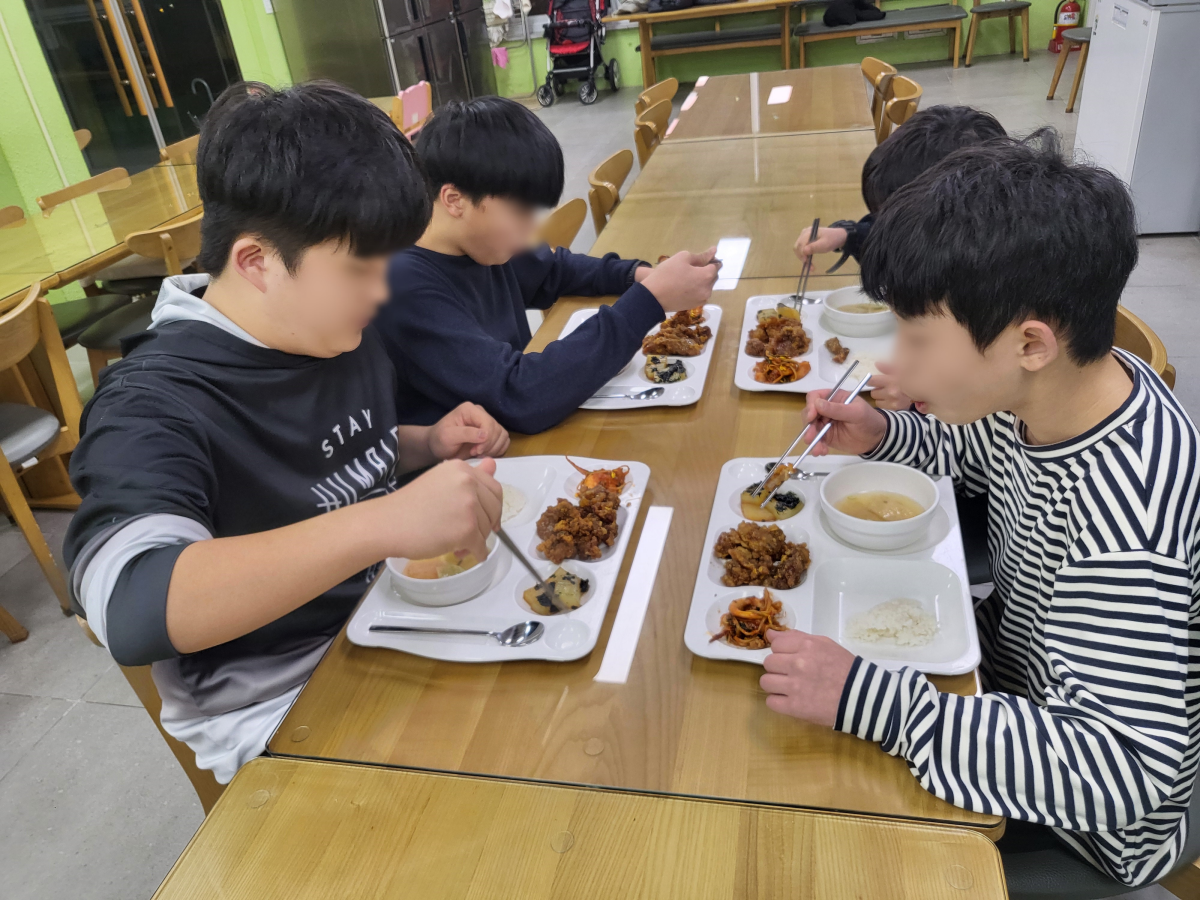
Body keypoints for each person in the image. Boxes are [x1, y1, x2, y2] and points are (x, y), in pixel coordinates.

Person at [760, 133, 1200, 888]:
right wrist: (884, 432)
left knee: (813, 849)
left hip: (1085, 828)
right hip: (1000, 688)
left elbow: (1126, 769)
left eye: (918, 338)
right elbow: (971, 454)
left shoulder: (1126, 517)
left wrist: (876, 703)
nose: (895, 361)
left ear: (1029, 343)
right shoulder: (1052, 392)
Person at [64, 81, 510, 784]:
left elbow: (324, 464)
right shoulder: (153, 403)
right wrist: (385, 522)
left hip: (387, 619)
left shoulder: (327, 326)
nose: (382, 292)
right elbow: (132, 606)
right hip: (278, 701)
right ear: (257, 262)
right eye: (362, 269)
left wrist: (424, 444)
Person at [377, 96, 720, 435]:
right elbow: (518, 394)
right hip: (470, 459)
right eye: (520, 212)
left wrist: (639, 275)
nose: (531, 228)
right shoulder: (403, 285)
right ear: (455, 200)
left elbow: (555, 270)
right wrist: (648, 301)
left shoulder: (481, 242)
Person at [793, 106, 1007, 410]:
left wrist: (923, 400)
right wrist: (848, 235)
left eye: (893, 221)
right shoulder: (962, 235)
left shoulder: (993, 296)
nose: (886, 233)